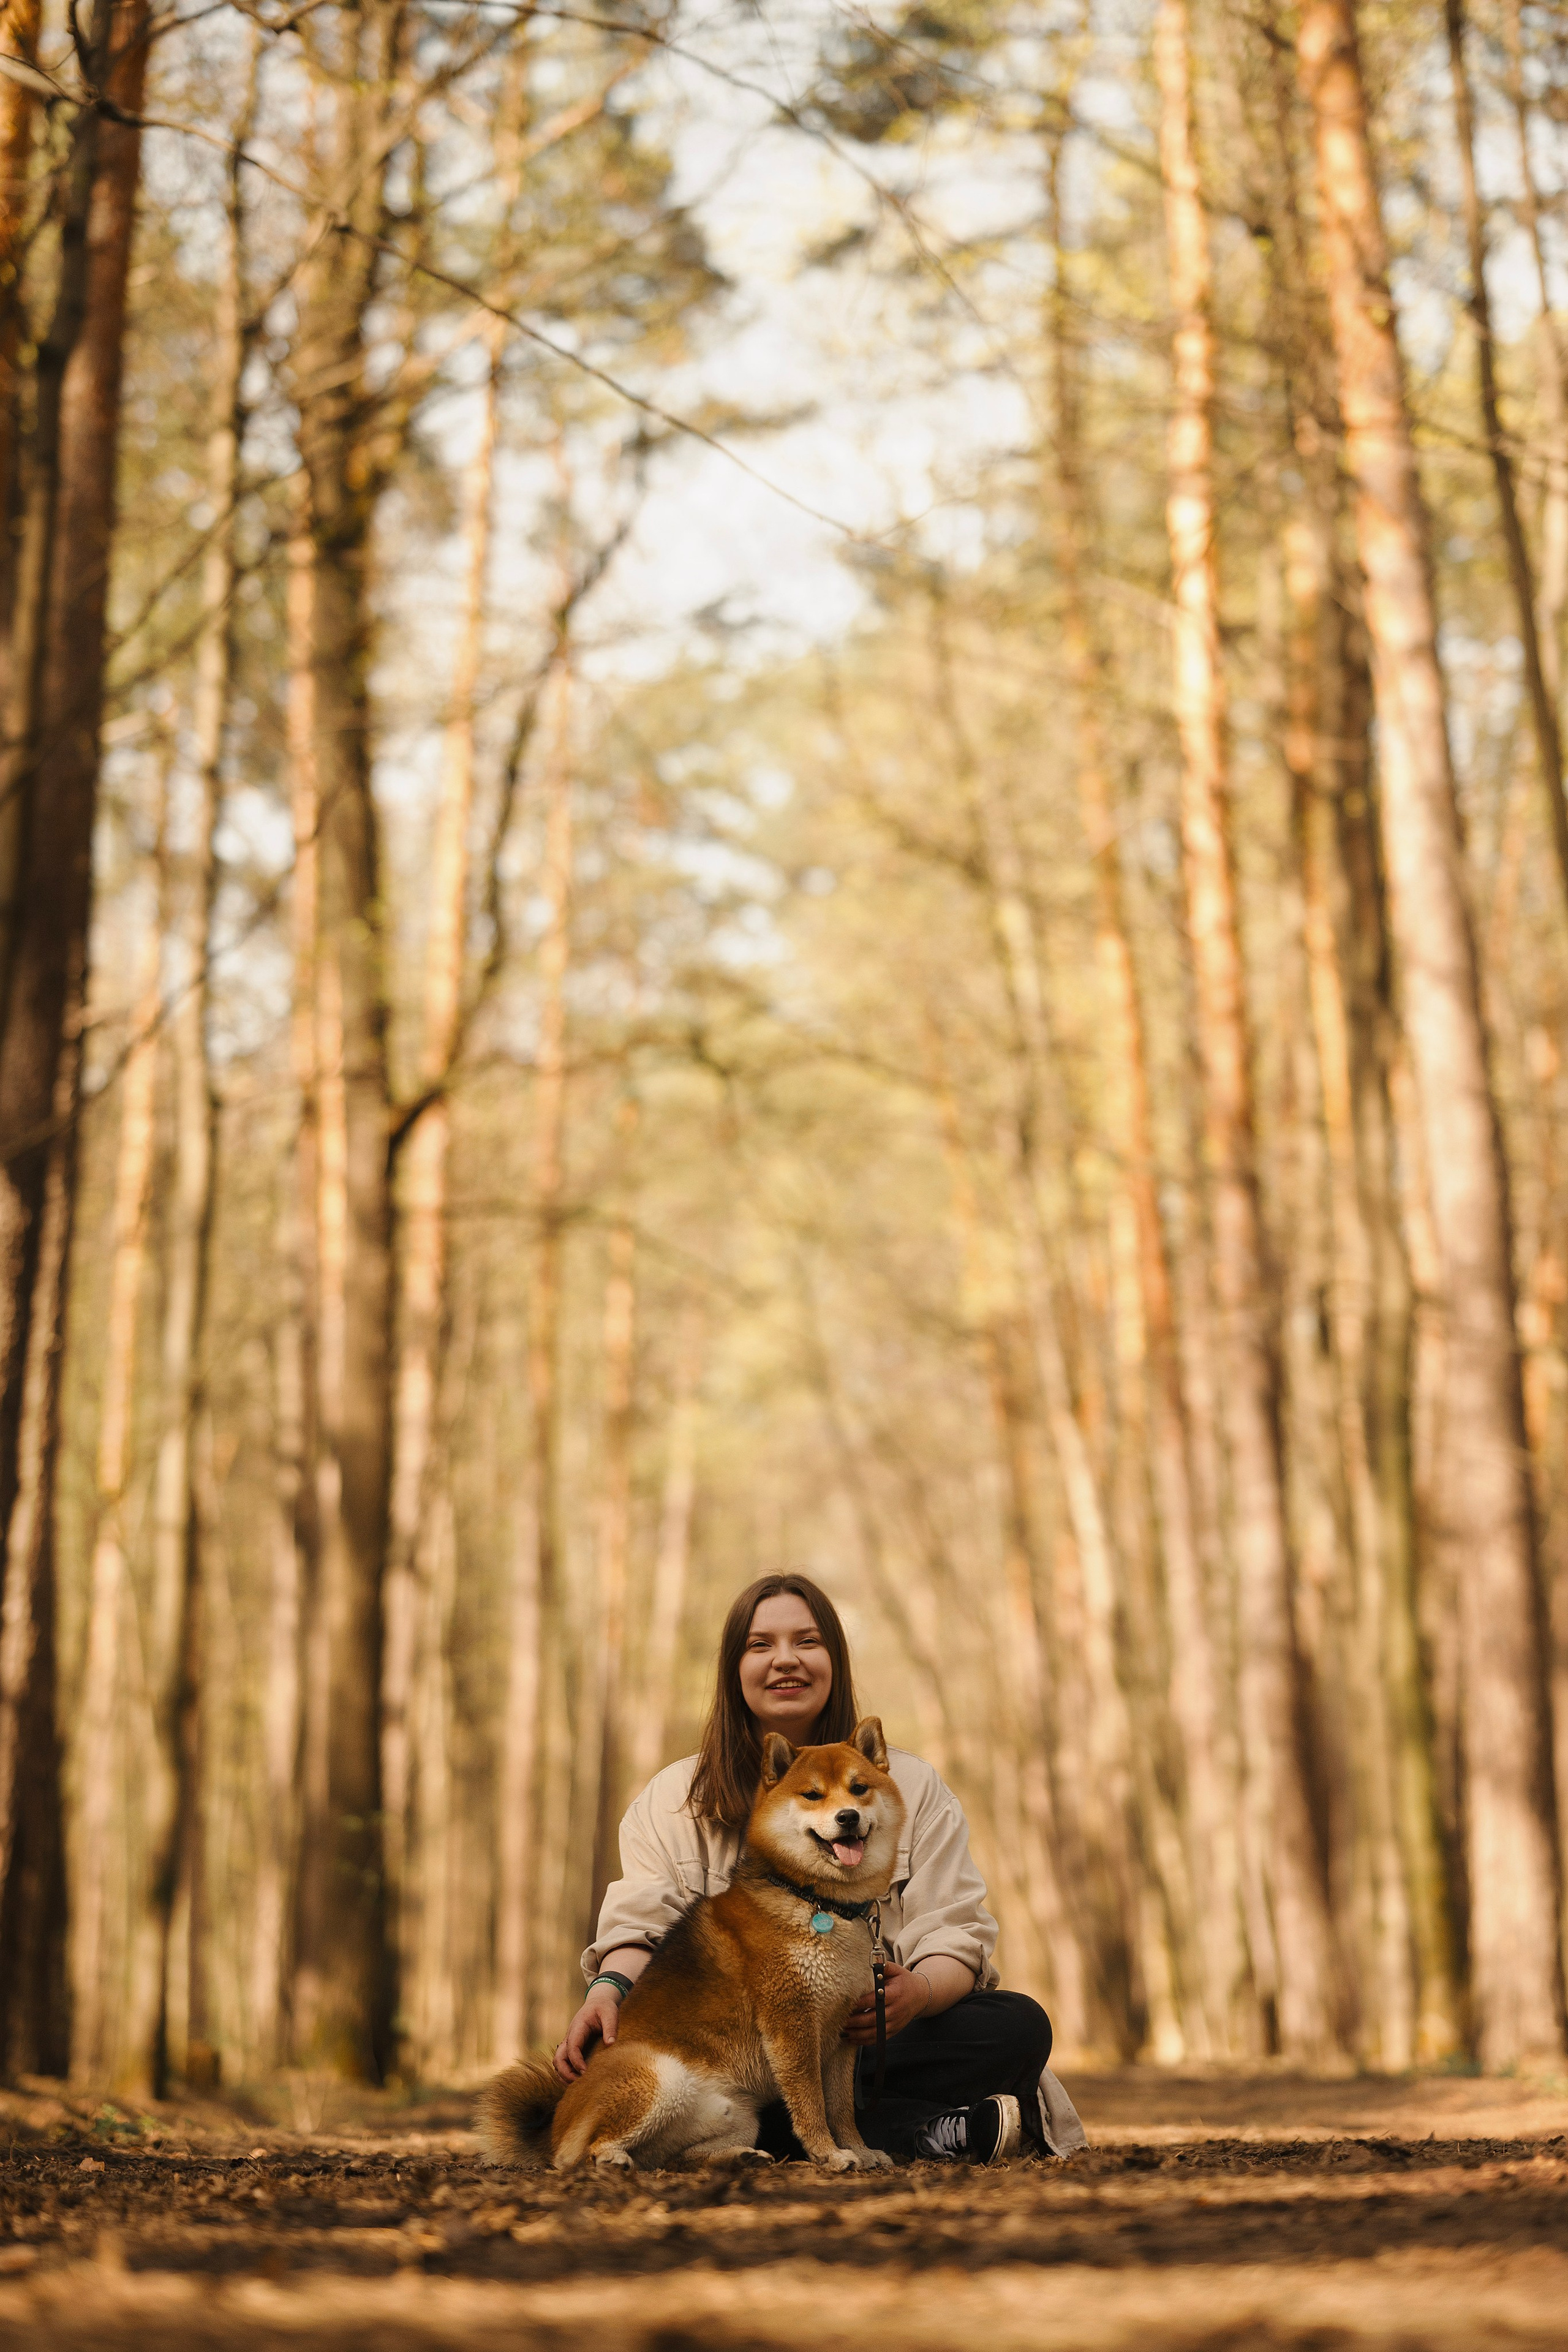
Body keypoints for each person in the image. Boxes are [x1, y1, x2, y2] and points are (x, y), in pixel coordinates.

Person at [557, 1572, 1085, 2165]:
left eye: (807, 1641)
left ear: (835, 1660)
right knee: (755, 2061)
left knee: (1015, 2025)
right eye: (760, 1645)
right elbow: (642, 1925)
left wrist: (919, 1994)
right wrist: (607, 1990)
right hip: (727, 2058)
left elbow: (955, 1930)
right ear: (734, 1669)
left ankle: (828, 2132)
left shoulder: (909, 1785)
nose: (785, 1660)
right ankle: (930, 2133)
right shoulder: (673, 1797)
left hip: (879, 2044)